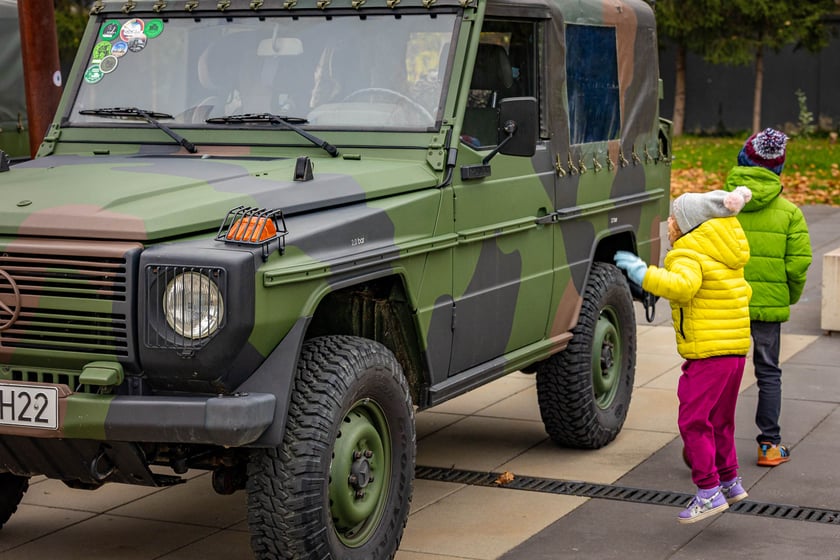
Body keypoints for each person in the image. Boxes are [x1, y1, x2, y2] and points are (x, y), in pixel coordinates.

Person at [614, 185, 753, 524]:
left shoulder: (688, 252)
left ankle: (708, 491)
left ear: (689, 223)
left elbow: (682, 287)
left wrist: (642, 273)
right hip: (733, 351)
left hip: (708, 352)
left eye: (673, 218)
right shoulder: (724, 249)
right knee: (721, 420)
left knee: (693, 420)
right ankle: (730, 480)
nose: (669, 223)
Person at [723, 128, 813, 467]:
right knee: (768, 372)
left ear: (742, 160)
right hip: (767, 309)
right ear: (779, 168)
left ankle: (703, 443)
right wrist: (786, 297)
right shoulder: (790, 213)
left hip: (725, 301)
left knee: (719, 371)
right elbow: (798, 263)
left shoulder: (720, 203)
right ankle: (769, 446)